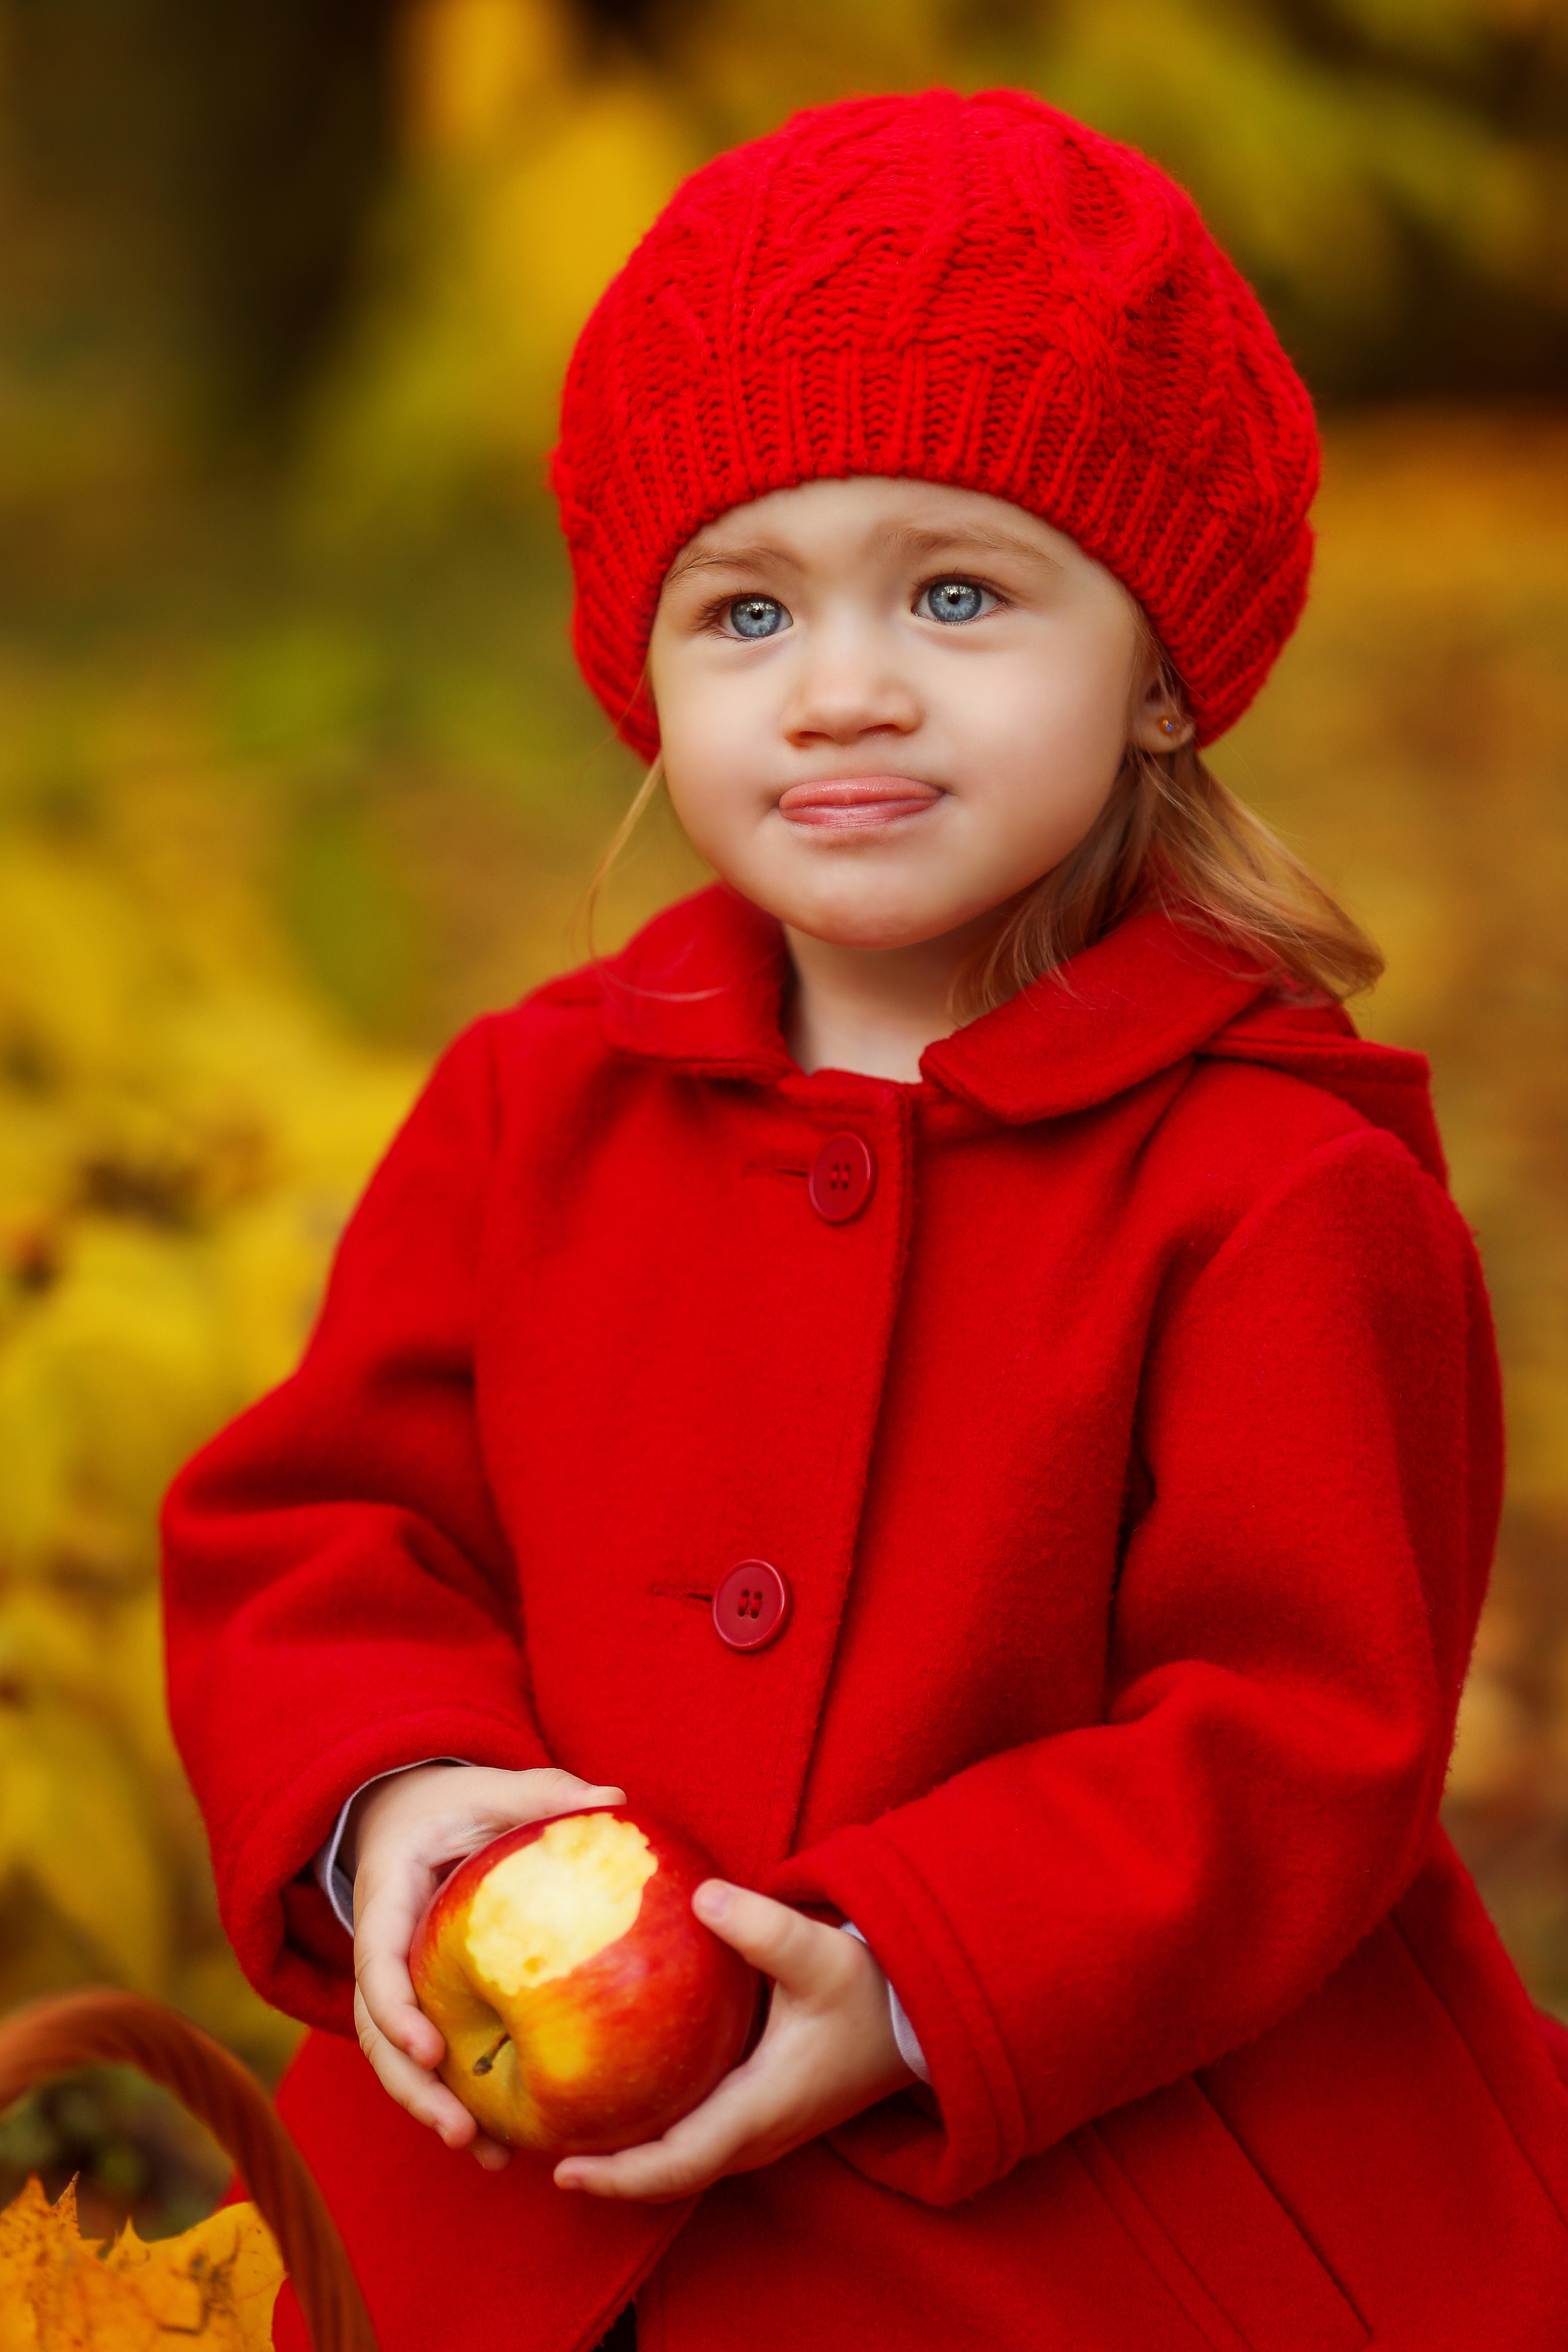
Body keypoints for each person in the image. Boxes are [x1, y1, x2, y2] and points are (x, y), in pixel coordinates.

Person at [161, 88, 1568, 2352]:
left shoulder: (1279, 1183)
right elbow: (330, 1523)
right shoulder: (538, 1107)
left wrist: (927, 1972)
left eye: (953, 590)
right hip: (535, 2193)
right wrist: (395, 1797)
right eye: (746, 607)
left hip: (1062, 2178)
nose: (840, 688)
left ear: (1166, 671)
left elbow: (1305, 1723)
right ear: (651, 670)